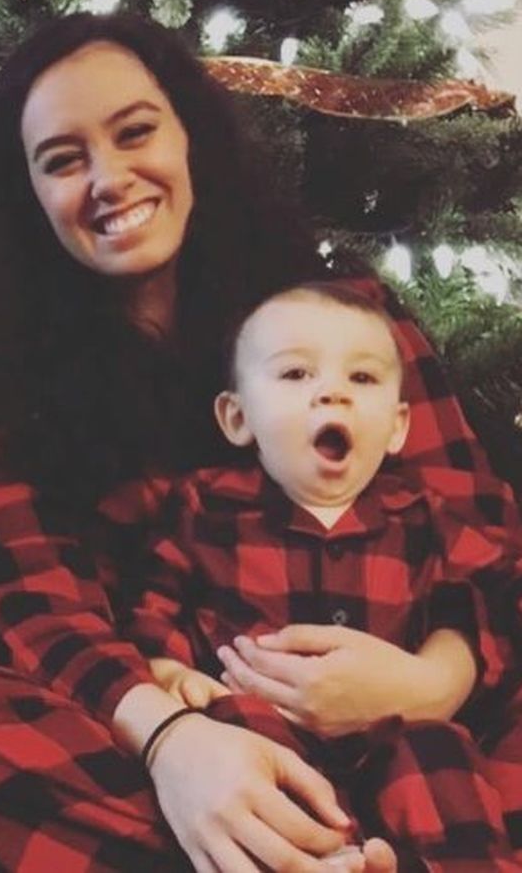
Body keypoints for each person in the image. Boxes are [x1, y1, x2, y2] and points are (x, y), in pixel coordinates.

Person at [0, 12, 522, 873]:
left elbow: (484, 539)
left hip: (418, 731)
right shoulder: (4, 379)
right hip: (183, 741)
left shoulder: (343, 315)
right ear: (26, 195)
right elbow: (31, 599)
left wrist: (433, 682)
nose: (109, 179)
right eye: (62, 160)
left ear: (189, 138)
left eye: (136, 132)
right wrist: (172, 740)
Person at [125, 280, 517, 868]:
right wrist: (168, 666)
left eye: (361, 378)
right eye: (295, 374)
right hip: (262, 723)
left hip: (392, 730)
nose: (333, 393)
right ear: (238, 417)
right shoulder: (207, 507)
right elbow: (157, 597)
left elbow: (490, 596)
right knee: (238, 730)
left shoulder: (425, 517)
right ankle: (318, 860)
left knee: (440, 751)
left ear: (398, 427)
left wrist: (442, 675)